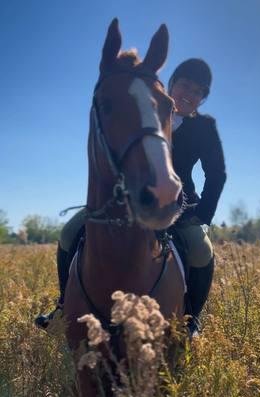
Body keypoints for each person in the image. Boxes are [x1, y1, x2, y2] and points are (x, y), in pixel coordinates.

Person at [35, 58, 226, 336]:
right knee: (70, 231)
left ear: (203, 99)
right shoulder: (145, 111)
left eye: (199, 91)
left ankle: (191, 320)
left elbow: (216, 173)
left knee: (200, 248)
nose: (190, 94)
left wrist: (202, 214)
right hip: (124, 197)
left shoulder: (205, 128)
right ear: (171, 84)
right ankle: (64, 306)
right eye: (185, 84)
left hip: (177, 203)